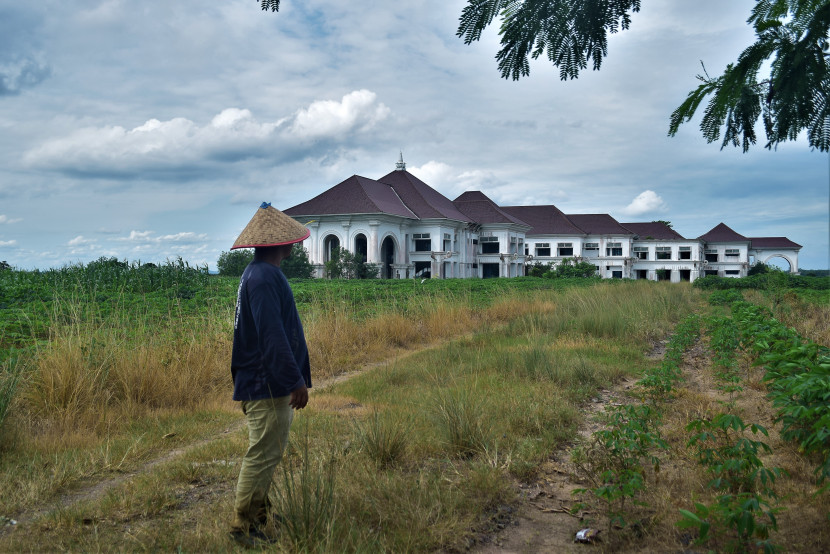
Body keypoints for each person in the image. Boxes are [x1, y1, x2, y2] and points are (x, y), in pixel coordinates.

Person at [228, 202, 312, 546]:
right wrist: (293, 380)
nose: (294, 244)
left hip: (261, 380)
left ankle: (260, 514)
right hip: (265, 382)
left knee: (268, 451)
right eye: (290, 240)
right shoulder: (263, 278)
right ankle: (243, 526)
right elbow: (272, 336)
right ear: (281, 244)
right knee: (262, 454)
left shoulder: (259, 273)